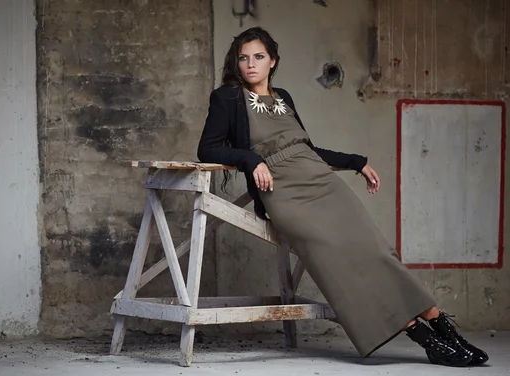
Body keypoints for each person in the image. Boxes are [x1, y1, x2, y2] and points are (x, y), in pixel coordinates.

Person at [197, 26, 488, 367]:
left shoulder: (284, 98)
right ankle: (423, 338)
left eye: (259, 57)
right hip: (285, 193)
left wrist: (356, 162)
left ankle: (443, 328)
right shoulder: (227, 97)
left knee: (376, 251)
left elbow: (308, 149)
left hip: (321, 181)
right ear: (236, 62)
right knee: (339, 263)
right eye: (243, 58)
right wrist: (251, 159)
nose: (250, 64)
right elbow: (207, 149)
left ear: (272, 61)